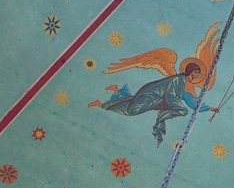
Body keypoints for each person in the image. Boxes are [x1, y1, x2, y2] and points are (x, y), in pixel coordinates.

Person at [88, 61, 219, 146]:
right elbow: (169, 94)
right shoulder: (179, 79)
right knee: (132, 110)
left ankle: (119, 91)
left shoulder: (183, 83)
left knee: (133, 105)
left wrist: (210, 108)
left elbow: (189, 99)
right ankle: (102, 104)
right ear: (190, 71)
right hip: (152, 95)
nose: (197, 75)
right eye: (196, 72)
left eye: (198, 73)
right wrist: (178, 107)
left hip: (156, 99)